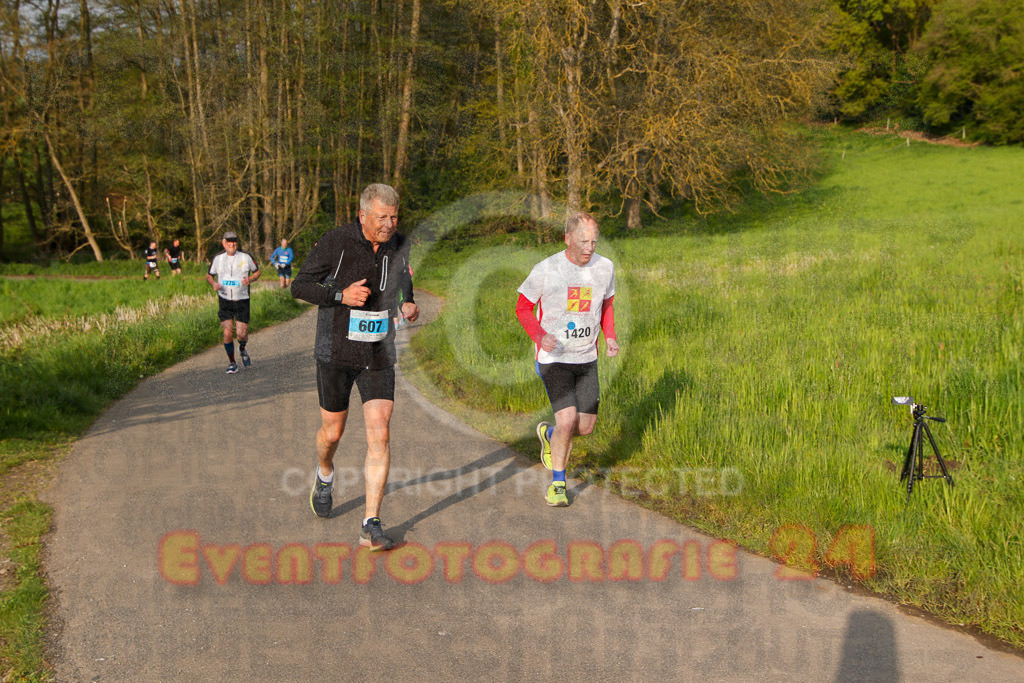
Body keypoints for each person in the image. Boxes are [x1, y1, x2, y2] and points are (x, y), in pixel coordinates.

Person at [291, 183, 418, 551]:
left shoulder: (400, 243)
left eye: (395, 217)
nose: (390, 224)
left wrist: (408, 302)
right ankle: (325, 472)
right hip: (336, 351)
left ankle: (371, 522)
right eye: (383, 217)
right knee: (332, 434)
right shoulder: (336, 242)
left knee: (379, 430)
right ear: (363, 214)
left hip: (378, 352)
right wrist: (339, 295)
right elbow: (299, 286)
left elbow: (403, 278)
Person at [516, 212, 619, 507]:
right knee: (568, 419)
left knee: (584, 426)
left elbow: (607, 304)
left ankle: (549, 435)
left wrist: (609, 335)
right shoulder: (547, 269)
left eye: (594, 241)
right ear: (568, 239)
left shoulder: (605, 267)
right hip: (554, 357)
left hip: (586, 358)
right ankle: (558, 485)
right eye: (584, 241)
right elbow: (523, 308)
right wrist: (539, 336)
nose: (590, 247)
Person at [206, 231, 260, 374]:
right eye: (229, 242)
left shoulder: (246, 256)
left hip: (242, 301)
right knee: (228, 333)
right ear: (224, 243)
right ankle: (232, 363)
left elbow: (257, 272)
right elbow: (209, 275)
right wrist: (213, 284)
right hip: (225, 301)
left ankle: (242, 349)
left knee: (241, 334)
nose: (232, 244)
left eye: (235, 241)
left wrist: (251, 279)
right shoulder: (218, 258)